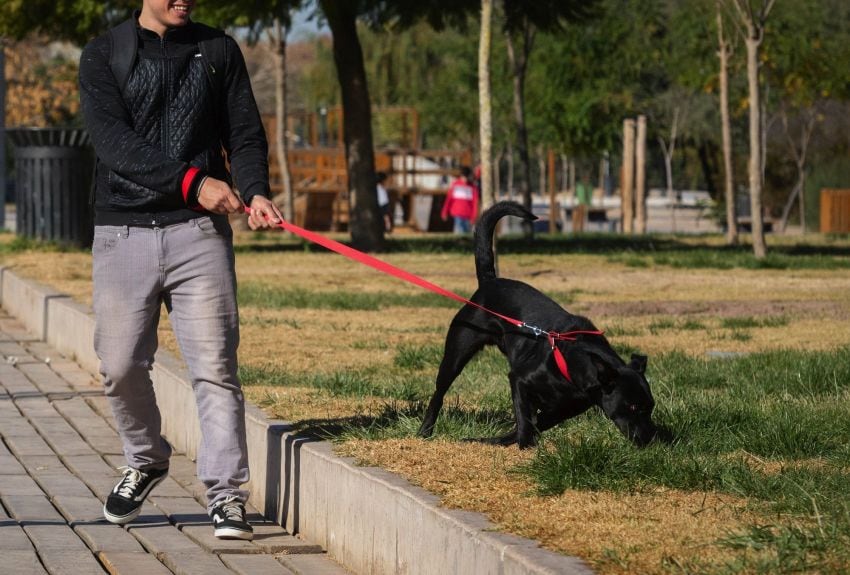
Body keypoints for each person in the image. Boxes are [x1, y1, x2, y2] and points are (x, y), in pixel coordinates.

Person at [78, 0, 283, 541]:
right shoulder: (104, 54)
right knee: (120, 366)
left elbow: (244, 133)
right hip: (123, 231)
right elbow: (115, 144)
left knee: (215, 368)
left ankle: (226, 496)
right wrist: (194, 182)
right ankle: (145, 459)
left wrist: (256, 189)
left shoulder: (218, 50)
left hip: (198, 235)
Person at [441, 166, 479, 234]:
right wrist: (444, 212)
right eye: (464, 177)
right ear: (461, 176)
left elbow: (475, 203)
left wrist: (474, 217)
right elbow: (449, 200)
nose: (465, 179)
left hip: (468, 216)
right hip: (457, 214)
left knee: (467, 233)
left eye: (467, 177)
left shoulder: (472, 188)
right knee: (459, 231)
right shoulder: (455, 185)